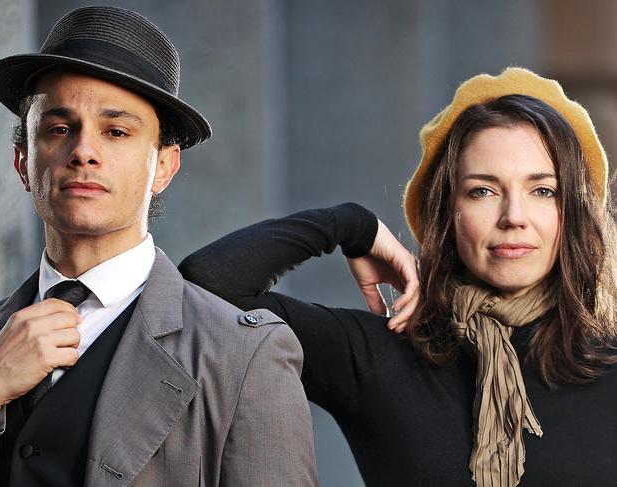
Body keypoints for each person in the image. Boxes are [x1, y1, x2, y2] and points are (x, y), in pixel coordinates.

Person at [179, 67, 617, 487]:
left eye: (543, 190)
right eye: (482, 190)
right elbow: (207, 287)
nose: (514, 217)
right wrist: (348, 225)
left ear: (573, 212)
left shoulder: (609, 363)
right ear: (447, 213)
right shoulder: (382, 353)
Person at [0, 6, 318, 487]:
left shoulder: (242, 355)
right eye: (59, 128)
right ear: (24, 162)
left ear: (165, 168)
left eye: (116, 131)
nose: (83, 151)